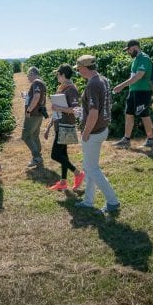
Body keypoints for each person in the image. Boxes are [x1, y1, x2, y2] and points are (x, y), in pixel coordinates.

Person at [72, 55, 120, 213]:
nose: (78, 71)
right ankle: (88, 201)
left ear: (85, 68)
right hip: (102, 128)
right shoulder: (103, 80)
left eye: (78, 68)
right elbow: (99, 107)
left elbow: (93, 113)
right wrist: (82, 111)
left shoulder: (92, 84)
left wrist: (85, 133)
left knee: (91, 168)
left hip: (93, 132)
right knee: (90, 166)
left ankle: (112, 201)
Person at [44, 64, 85, 192]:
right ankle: (63, 182)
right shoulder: (61, 88)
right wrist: (49, 126)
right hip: (59, 124)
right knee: (63, 154)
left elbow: (74, 110)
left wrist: (59, 108)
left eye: (58, 74)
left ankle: (78, 173)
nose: (56, 76)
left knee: (55, 154)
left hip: (66, 124)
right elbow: (57, 109)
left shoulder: (71, 89)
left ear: (63, 75)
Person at [112, 39, 153, 149]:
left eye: (129, 50)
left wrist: (121, 86)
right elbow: (133, 77)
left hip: (143, 91)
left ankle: (150, 140)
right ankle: (126, 139)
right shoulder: (136, 59)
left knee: (144, 115)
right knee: (129, 114)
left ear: (135, 47)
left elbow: (138, 76)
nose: (128, 52)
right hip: (133, 91)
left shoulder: (144, 58)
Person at [22, 66, 47, 167]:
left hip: (33, 114)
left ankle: (37, 157)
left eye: (28, 75)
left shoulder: (36, 82)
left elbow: (36, 97)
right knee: (35, 135)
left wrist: (28, 110)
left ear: (32, 73)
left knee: (26, 136)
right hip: (39, 113)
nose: (28, 77)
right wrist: (27, 96)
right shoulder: (41, 82)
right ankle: (38, 156)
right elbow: (37, 97)